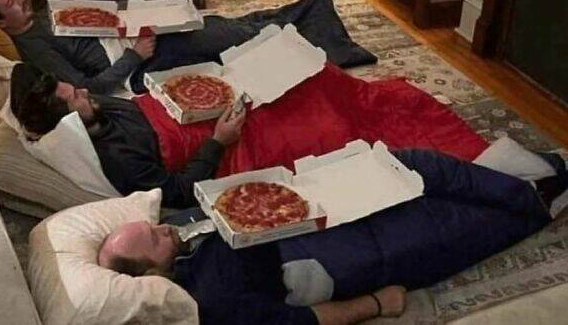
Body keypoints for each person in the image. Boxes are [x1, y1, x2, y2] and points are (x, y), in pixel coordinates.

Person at [98, 148, 568, 325]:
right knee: (457, 222)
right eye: (154, 239)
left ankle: (533, 177)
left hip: (312, 209)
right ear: (153, 274)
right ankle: (541, 194)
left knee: (414, 165)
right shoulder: (214, 299)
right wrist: (378, 304)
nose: (163, 227)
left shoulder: (182, 230)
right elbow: (299, 324)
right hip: (331, 256)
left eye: (153, 225)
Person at [0, 0, 376, 97]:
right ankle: (323, 45)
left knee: (214, 23)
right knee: (240, 37)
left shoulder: (39, 19)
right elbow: (88, 87)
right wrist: (134, 54)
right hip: (139, 59)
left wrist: (124, 18)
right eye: (10, 4)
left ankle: (303, 17)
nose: (20, 1)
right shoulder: (33, 49)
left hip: (128, 33)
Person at [9, 62, 247, 208]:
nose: (85, 91)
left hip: (193, 105)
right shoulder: (117, 159)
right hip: (220, 141)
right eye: (76, 96)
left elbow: (22, 74)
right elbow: (180, 192)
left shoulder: (90, 111)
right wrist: (218, 141)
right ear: (67, 121)